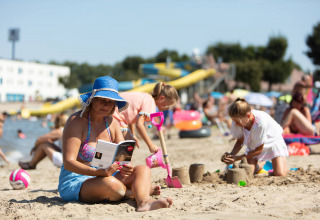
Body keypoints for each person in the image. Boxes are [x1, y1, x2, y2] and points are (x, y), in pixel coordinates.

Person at [58, 76, 172, 211]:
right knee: (113, 186)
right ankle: (134, 191)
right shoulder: (76, 121)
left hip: (106, 175)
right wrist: (98, 172)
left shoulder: (112, 122)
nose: (106, 105)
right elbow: (68, 162)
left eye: (111, 101)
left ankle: (144, 201)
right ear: (92, 99)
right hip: (77, 180)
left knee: (143, 170)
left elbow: (123, 157)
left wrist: (127, 166)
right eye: (102, 100)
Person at [221, 98, 288, 176]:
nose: (236, 124)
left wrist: (237, 158)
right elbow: (240, 140)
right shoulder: (238, 118)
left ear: (248, 115)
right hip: (254, 144)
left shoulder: (260, 123)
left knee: (280, 174)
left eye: (237, 122)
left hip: (272, 141)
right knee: (248, 172)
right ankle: (260, 165)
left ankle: (266, 162)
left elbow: (258, 150)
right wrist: (231, 155)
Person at [113, 82, 179, 153]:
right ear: (161, 98)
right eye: (168, 105)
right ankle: (123, 163)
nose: (168, 108)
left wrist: (133, 134)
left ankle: (123, 162)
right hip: (114, 114)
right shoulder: (151, 103)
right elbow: (139, 124)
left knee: (130, 142)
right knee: (127, 145)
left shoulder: (146, 97)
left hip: (115, 112)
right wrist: (150, 145)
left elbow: (129, 114)